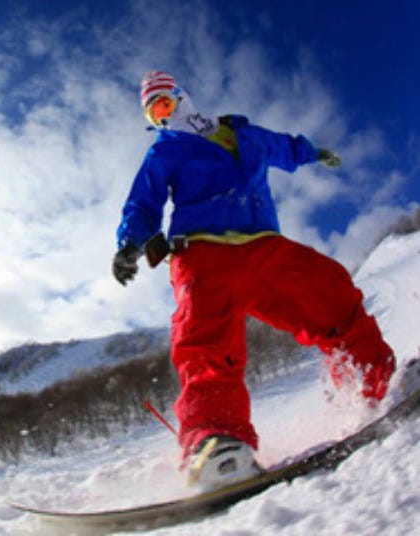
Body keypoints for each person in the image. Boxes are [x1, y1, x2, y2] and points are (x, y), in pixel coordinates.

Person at [113, 70, 396, 489]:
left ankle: (372, 382)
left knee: (329, 291)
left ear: (180, 98)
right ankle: (215, 440)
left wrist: (315, 154)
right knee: (206, 342)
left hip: (263, 248)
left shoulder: (244, 135)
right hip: (203, 255)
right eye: (153, 115)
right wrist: (129, 244)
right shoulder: (164, 152)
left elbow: (285, 147)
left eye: (165, 106)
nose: (162, 118)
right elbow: (143, 201)